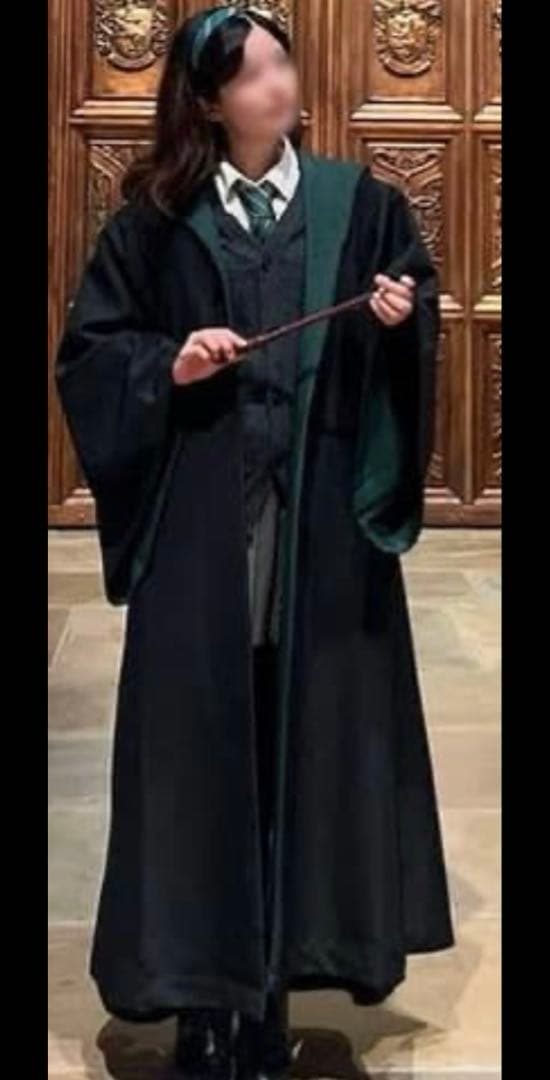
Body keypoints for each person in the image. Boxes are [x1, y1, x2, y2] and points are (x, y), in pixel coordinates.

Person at [55, 6, 455, 1079]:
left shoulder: (359, 207)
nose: (277, 83)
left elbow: (415, 312)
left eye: (281, 62)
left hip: (318, 531)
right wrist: (171, 366)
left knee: (307, 749)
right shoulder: (154, 221)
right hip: (205, 531)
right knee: (201, 760)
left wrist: (395, 321)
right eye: (250, 71)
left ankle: (273, 993)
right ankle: (201, 1002)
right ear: (208, 101)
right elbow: (92, 355)